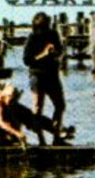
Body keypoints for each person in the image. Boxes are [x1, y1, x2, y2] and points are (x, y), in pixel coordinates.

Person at [23, 11, 68, 144]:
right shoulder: (32, 38)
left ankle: (56, 137)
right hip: (37, 74)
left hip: (52, 74)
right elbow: (27, 60)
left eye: (47, 26)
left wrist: (55, 52)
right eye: (43, 26)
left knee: (60, 105)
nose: (45, 29)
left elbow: (60, 50)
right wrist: (43, 54)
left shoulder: (53, 34)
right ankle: (41, 140)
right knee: (37, 107)